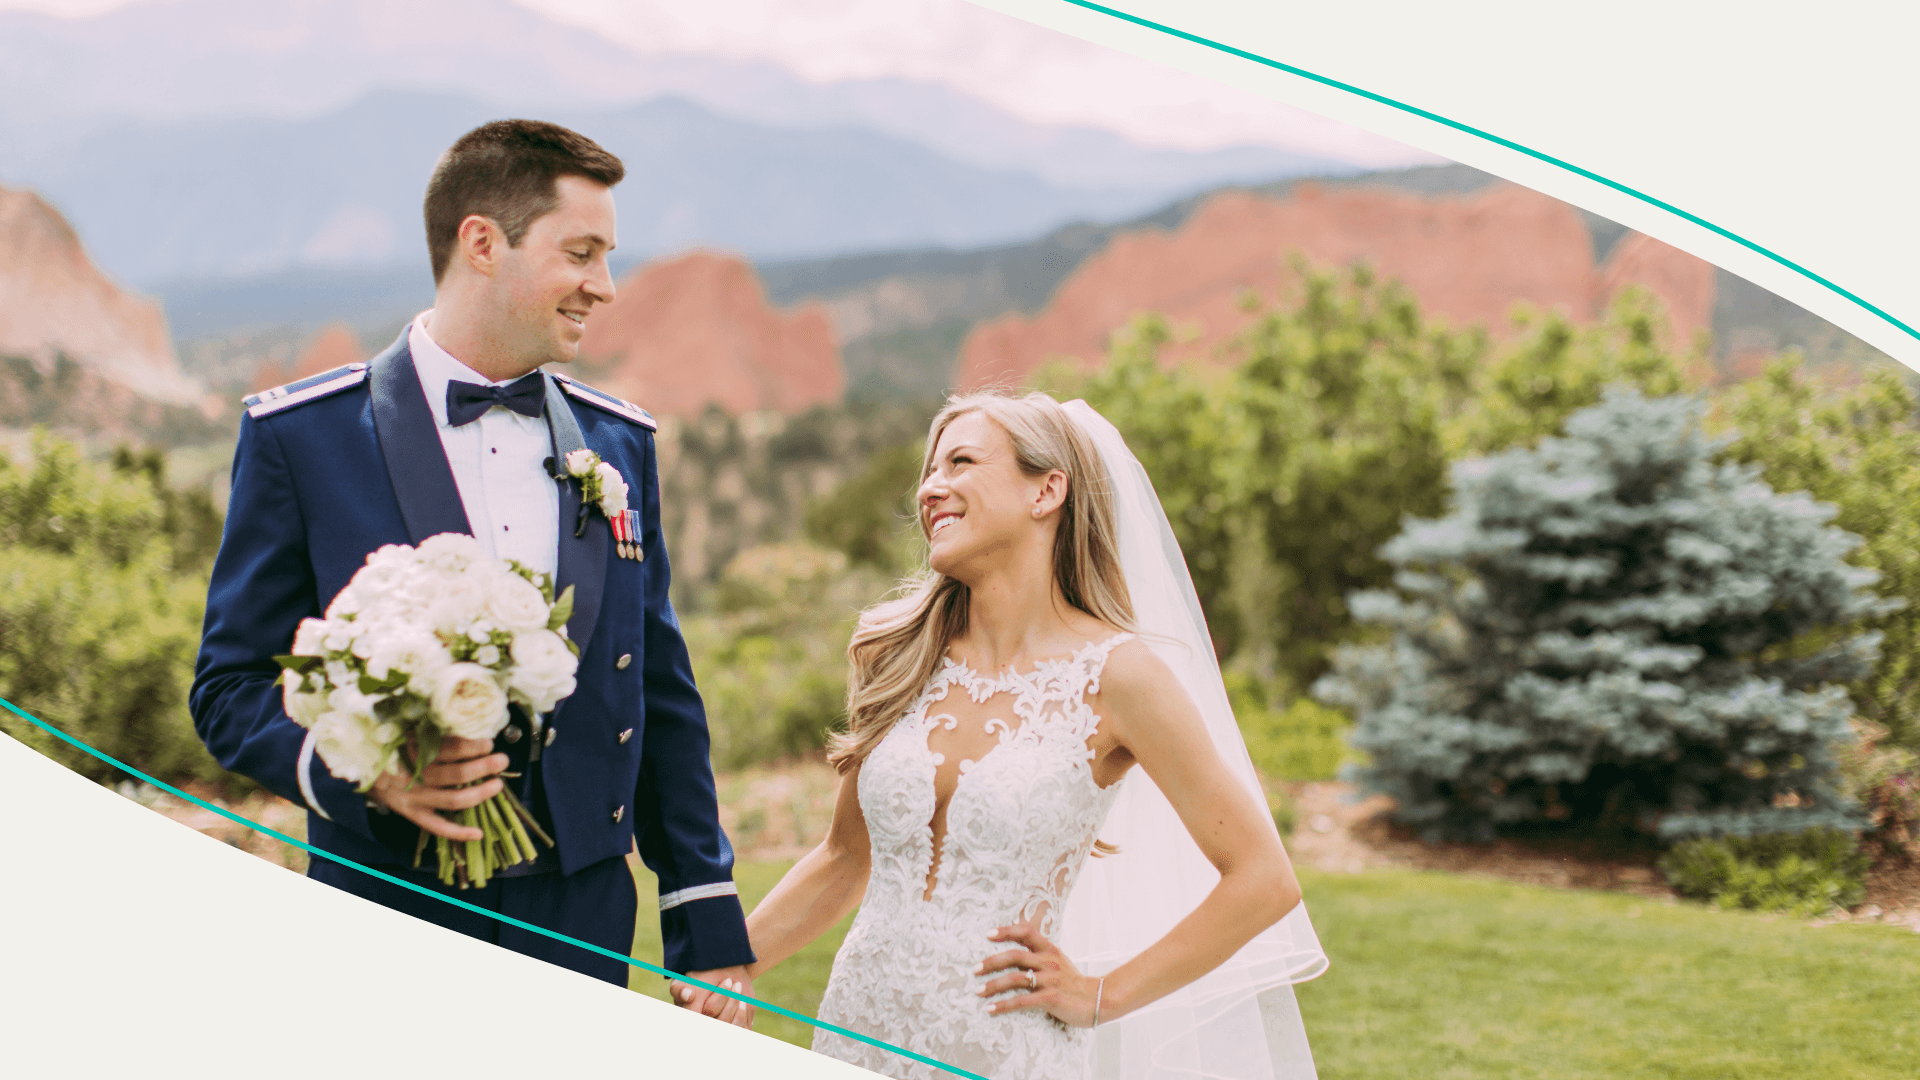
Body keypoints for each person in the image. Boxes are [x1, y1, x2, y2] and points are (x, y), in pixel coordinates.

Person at [189, 119, 755, 1020]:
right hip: (388, 906)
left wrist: (705, 927)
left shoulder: (619, 444)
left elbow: (656, 690)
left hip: (582, 922)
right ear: (483, 243)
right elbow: (228, 688)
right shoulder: (303, 438)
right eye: (582, 253)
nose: (603, 288)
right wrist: (362, 770)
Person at [738, 391, 1329, 1078]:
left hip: (1006, 1048)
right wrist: (728, 961)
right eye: (929, 471)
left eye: (961, 462)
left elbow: (1264, 879)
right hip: (859, 1029)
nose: (933, 488)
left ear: (1047, 490)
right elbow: (844, 856)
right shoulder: (890, 651)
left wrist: (1103, 994)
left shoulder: (1120, 676)